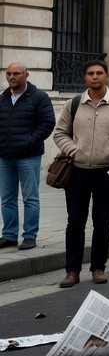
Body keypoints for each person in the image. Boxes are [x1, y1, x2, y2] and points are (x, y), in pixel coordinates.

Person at [53, 59, 109, 288]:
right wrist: (74, 150)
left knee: (102, 222)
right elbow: (60, 133)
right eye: (90, 73)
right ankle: (72, 271)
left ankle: (98, 268)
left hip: (107, 172)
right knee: (75, 222)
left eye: (99, 73)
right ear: (85, 77)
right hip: (77, 172)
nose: (95, 77)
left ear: (106, 75)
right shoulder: (74, 104)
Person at [0, 62, 55, 251]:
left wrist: (29, 142)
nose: (11, 77)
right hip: (5, 157)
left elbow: (48, 123)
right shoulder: (3, 98)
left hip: (29, 156)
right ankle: (9, 235)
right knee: (7, 198)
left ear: (26, 75)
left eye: (16, 73)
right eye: (8, 73)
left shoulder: (38, 97)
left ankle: (30, 236)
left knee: (30, 198)